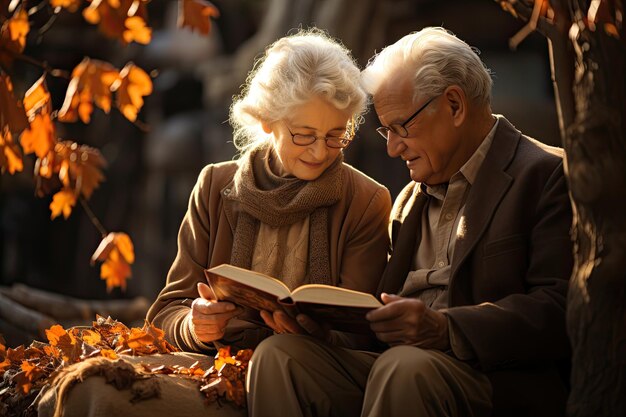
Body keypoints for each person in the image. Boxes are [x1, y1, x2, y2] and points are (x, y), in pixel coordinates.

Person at [37, 29, 391, 417]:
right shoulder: (215, 185)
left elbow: (363, 335)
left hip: (303, 378)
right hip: (214, 369)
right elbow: (167, 311)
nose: (321, 150)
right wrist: (196, 324)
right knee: (89, 386)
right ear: (268, 120)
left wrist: (316, 335)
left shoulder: (365, 200)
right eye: (304, 135)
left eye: (336, 135)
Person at [246, 26, 573, 417]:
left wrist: (446, 329)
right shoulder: (406, 201)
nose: (392, 147)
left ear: (454, 105)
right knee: (281, 356)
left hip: (493, 382)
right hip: (395, 369)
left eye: (402, 127)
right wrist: (326, 334)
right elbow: (380, 328)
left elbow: (561, 308)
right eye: (386, 130)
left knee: (405, 368)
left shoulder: (547, 175)